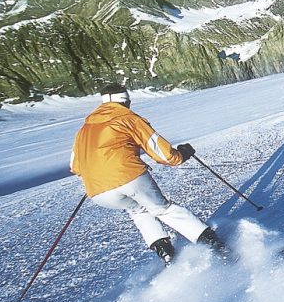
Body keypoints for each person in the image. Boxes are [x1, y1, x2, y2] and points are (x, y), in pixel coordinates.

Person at [70, 84, 224, 265]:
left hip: (97, 191)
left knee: (138, 210)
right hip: (128, 176)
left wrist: (98, 175)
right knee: (163, 209)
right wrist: (181, 155)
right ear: (126, 101)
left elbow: (75, 166)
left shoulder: (84, 129)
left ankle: (166, 253)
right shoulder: (128, 118)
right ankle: (215, 246)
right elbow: (159, 150)